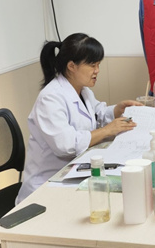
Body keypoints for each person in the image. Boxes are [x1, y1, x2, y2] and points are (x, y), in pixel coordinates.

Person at [16, 33, 141, 204]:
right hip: (46, 185)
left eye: (98, 65)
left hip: (74, 172)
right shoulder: (50, 98)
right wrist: (107, 130)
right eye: (92, 65)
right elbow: (66, 145)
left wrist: (117, 110)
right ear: (71, 66)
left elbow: (98, 113)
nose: (97, 70)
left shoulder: (83, 90)